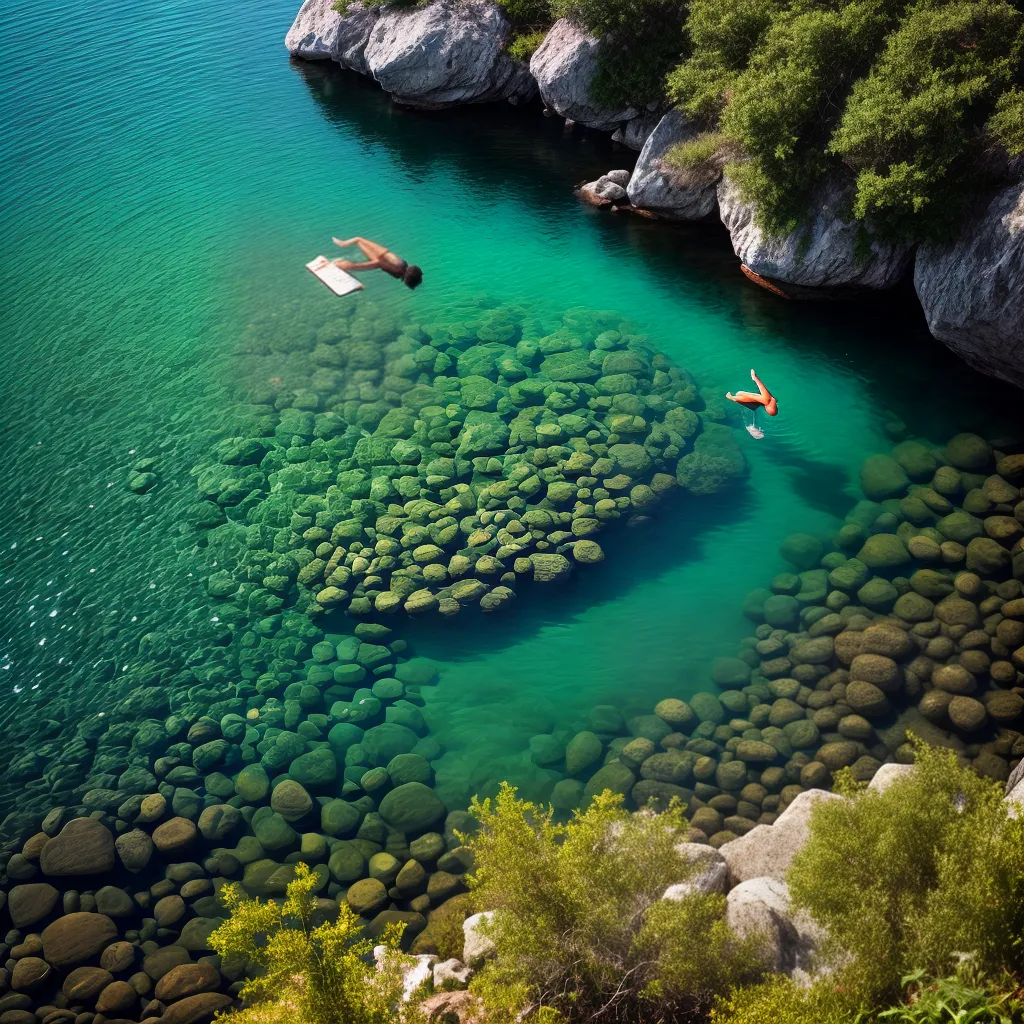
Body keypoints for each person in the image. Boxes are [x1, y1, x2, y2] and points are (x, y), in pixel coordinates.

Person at [331, 236, 423, 289]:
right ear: (408, 279)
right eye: (408, 283)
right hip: (378, 261)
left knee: (358, 242)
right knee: (358, 242)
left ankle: (356, 283)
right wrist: (362, 265)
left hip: (379, 262)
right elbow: (382, 258)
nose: (405, 284)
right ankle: (339, 259)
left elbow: (383, 262)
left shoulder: (400, 273)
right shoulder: (399, 265)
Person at [726, 369, 777, 438]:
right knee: (741, 394)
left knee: (766, 400)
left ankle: (754, 379)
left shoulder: (767, 402)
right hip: (768, 408)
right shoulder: (767, 402)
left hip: (769, 408)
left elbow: (754, 396)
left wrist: (755, 378)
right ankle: (754, 379)